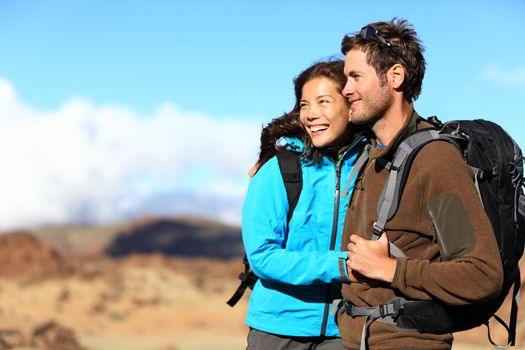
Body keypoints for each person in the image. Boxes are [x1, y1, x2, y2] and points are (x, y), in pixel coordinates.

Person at [336, 18, 503, 349]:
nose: (345, 89)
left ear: (395, 76)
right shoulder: (370, 158)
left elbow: (482, 274)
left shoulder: (435, 160)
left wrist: (391, 270)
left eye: (356, 77)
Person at [242, 59, 368, 350]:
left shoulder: (373, 167)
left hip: (345, 331)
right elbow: (262, 255)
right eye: (304, 105)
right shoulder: (280, 168)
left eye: (323, 102)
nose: (311, 114)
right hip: (277, 331)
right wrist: (342, 265)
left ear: (351, 104)